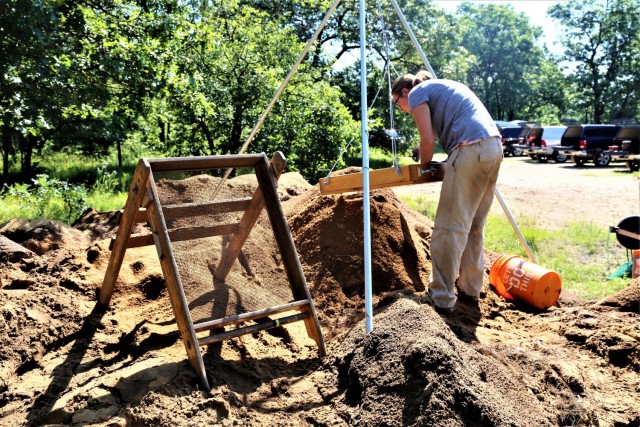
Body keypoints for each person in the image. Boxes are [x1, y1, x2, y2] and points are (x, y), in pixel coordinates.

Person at [391, 70, 502, 314]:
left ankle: (440, 297)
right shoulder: (445, 87)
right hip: (493, 146)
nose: (402, 110)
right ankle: (470, 291)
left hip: (470, 147)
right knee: (473, 226)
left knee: (449, 228)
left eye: (398, 104)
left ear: (405, 92)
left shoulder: (419, 92)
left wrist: (423, 167)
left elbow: (427, 140)